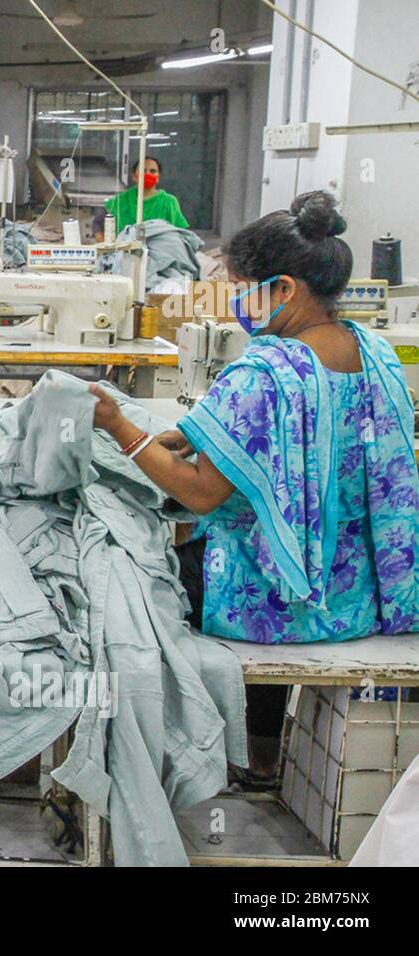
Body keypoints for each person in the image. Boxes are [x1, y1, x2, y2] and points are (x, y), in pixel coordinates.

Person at [89, 190, 419, 775]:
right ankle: (263, 751)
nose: (235, 298)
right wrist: (191, 432)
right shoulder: (375, 353)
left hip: (278, 600)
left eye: (243, 285)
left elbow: (200, 492)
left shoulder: (263, 372)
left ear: (285, 289)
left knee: (122, 590)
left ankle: (167, 757)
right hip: (363, 591)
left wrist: (119, 428)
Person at [102, 154, 189, 234]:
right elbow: (98, 223)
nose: (148, 174)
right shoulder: (120, 201)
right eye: (143, 170)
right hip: (125, 250)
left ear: (158, 177)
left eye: (153, 171)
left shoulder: (169, 202)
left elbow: (182, 233)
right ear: (134, 176)